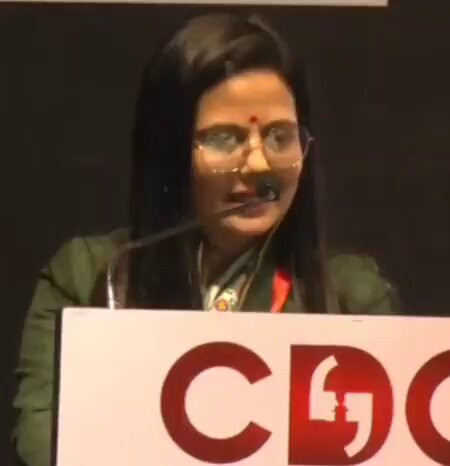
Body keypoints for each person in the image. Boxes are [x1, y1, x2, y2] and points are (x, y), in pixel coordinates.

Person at [12, 13, 398, 466]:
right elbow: (43, 444)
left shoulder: (352, 295)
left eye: (280, 137)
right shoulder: (88, 278)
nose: (259, 165)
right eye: (224, 139)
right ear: (170, 151)